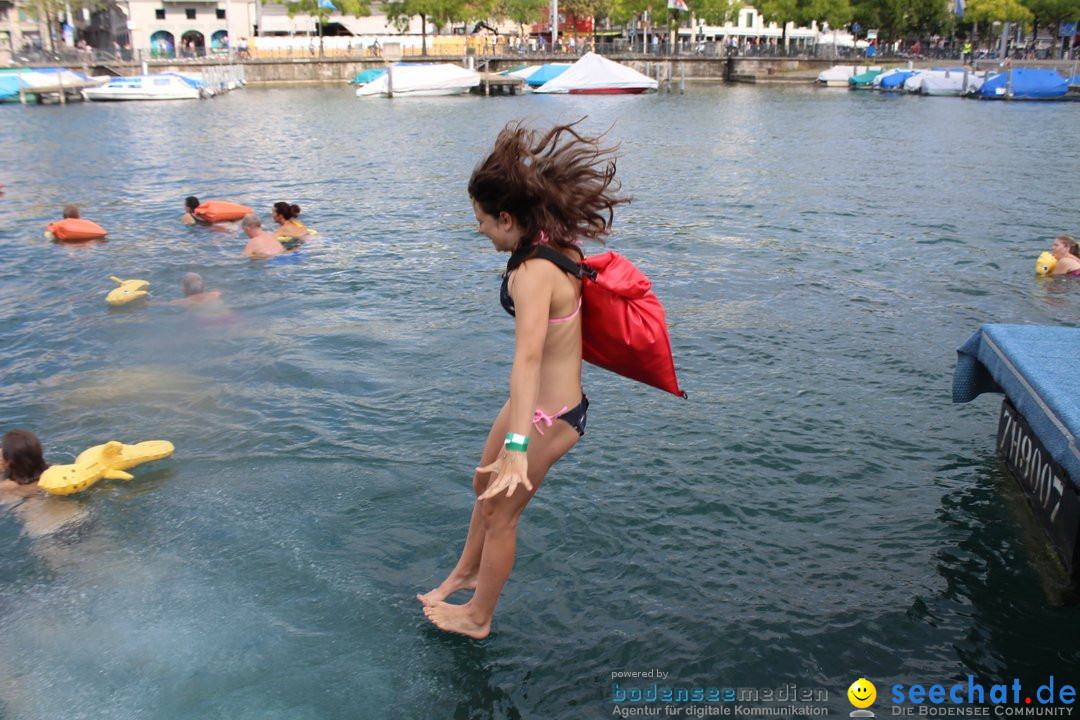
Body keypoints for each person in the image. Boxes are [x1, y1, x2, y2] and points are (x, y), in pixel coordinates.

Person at [418, 121, 630, 639]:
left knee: (500, 511)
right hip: (532, 404)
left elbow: (529, 358)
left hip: (551, 414)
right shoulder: (551, 242)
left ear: (506, 217)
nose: (481, 230)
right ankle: (468, 570)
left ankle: (478, 617)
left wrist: (517, 444)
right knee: (482, 485)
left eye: (483, 221)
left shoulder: (533, 272)